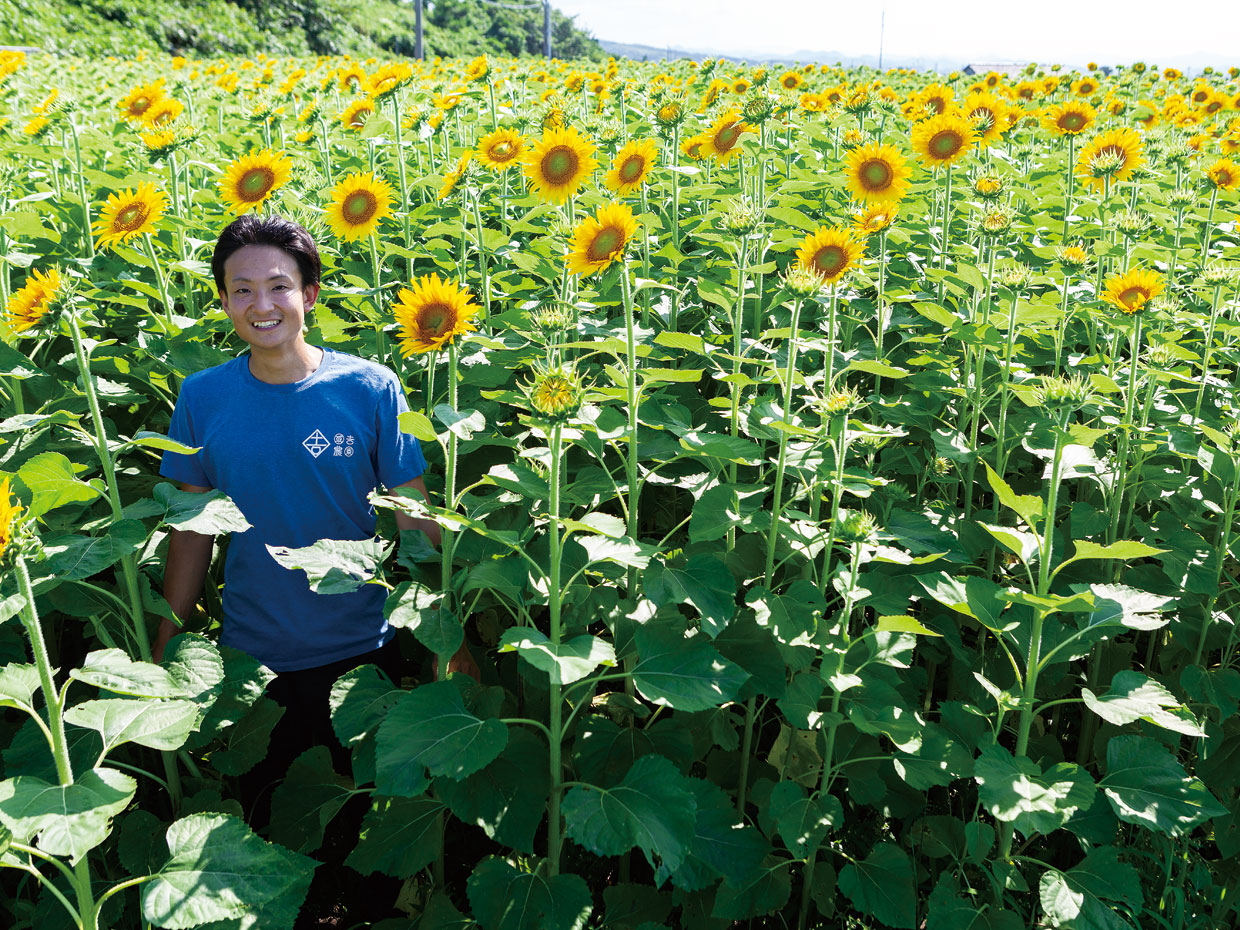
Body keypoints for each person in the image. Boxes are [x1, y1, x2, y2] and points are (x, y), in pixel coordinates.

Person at [155, 214, 478, 807]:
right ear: (224, 301)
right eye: (242, 290)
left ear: (309, 293)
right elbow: (192, 533)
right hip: (252, 657)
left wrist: (447, 638)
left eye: (279, 285)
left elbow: (414, 518)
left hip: (361, 649)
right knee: (267, 817)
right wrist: (165, 643)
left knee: (366, 813)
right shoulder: (203, 396)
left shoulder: (369, 388)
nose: (262, 304)